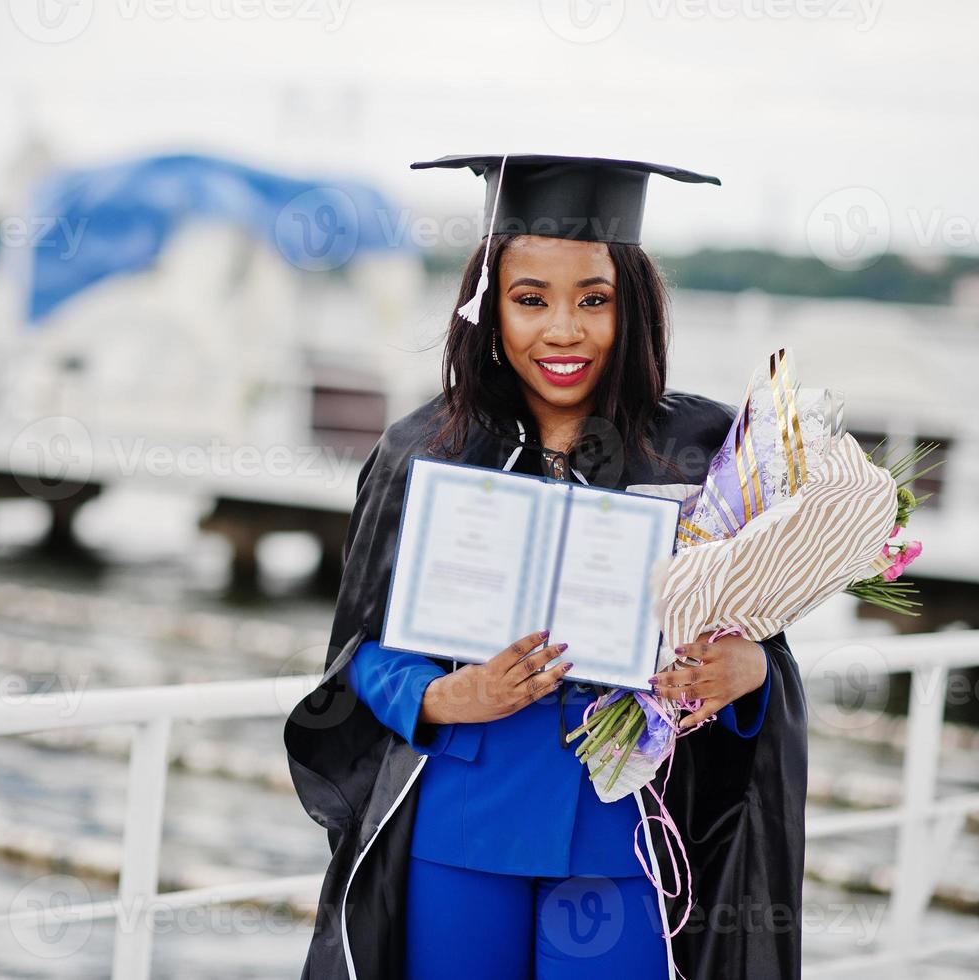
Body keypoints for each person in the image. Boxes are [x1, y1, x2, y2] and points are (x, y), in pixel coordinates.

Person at [283, 154, 808, 980]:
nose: (562, 331)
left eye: (592, 301)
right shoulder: (425, 452)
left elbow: (761, 652)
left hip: (624, 832)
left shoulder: (704, 451)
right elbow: (361, 654)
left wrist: (747, 677)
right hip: (460, 826)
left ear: (631, 308)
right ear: (489, 310)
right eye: (530, 301)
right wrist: (441, 694)